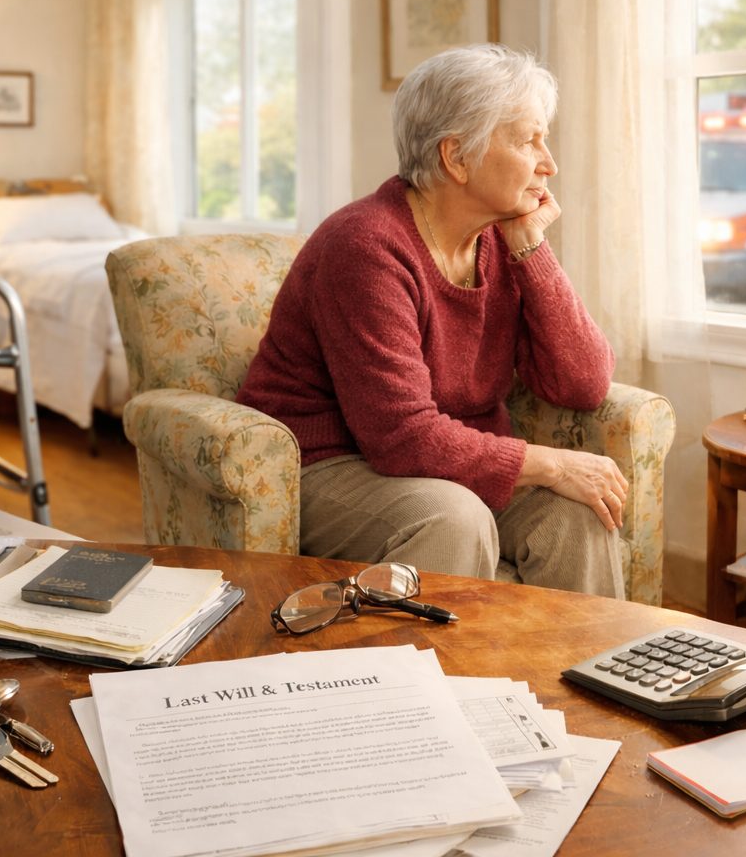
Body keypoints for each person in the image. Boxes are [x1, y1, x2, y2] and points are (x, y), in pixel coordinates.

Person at [236, 43, 628, 599]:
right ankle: (415, 661)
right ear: (456, 157)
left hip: (447, 460)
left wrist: (530, 248)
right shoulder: (366, 247)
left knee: (581, 513)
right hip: (332, 464)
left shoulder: (502, 238)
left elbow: (584, 383)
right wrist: (553, 465)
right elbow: (401, 437)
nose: (549, 163)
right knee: (455, 518)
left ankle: (588, 657)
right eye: (527, 141)